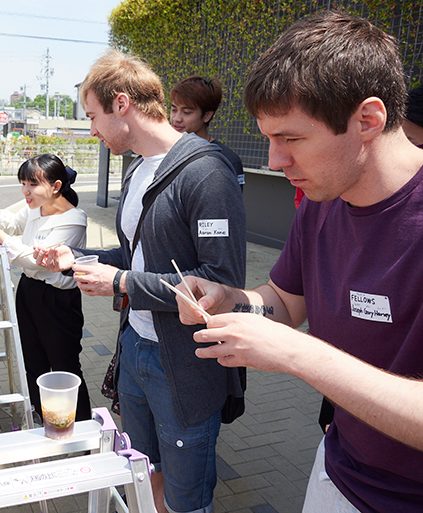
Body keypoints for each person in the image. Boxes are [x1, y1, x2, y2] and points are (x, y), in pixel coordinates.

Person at [173, 11, 423, 512]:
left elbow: (295, 341)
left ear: (367, 120)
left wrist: (297, 354)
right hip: (337, 471)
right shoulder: (322, 201)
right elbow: (286, 302)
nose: (273, 160)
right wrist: (235, 301)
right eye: (268, 138)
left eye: (291, 138)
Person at [35, 50, 246, 513]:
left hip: (187, 363)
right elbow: (135, 258)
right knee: (143, 471)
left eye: (93, 116)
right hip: (135, 347)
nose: (91, 128)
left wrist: (123, 281)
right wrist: (79, 257)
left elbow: (221, 282)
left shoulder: (207, 172)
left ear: (122, 104)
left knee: (186, 498)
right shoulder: (137, 172)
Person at [0, 154, 91, 423]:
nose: (25, 191)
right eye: (23, 183)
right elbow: (14, 223)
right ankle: (44, 418)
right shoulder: (37, 205)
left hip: (58, 302)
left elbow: (37, 262)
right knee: (32, 363)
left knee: (65, 367)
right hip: (28, 292)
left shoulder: (74, 219)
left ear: (56, 186)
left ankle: (80, 429)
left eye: (32, 184)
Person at [170, 75, 245, 189]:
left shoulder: (226, 159)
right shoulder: (166, 152)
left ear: (207, 115)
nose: (176, 118)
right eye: (174, 110)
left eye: (186, 112)